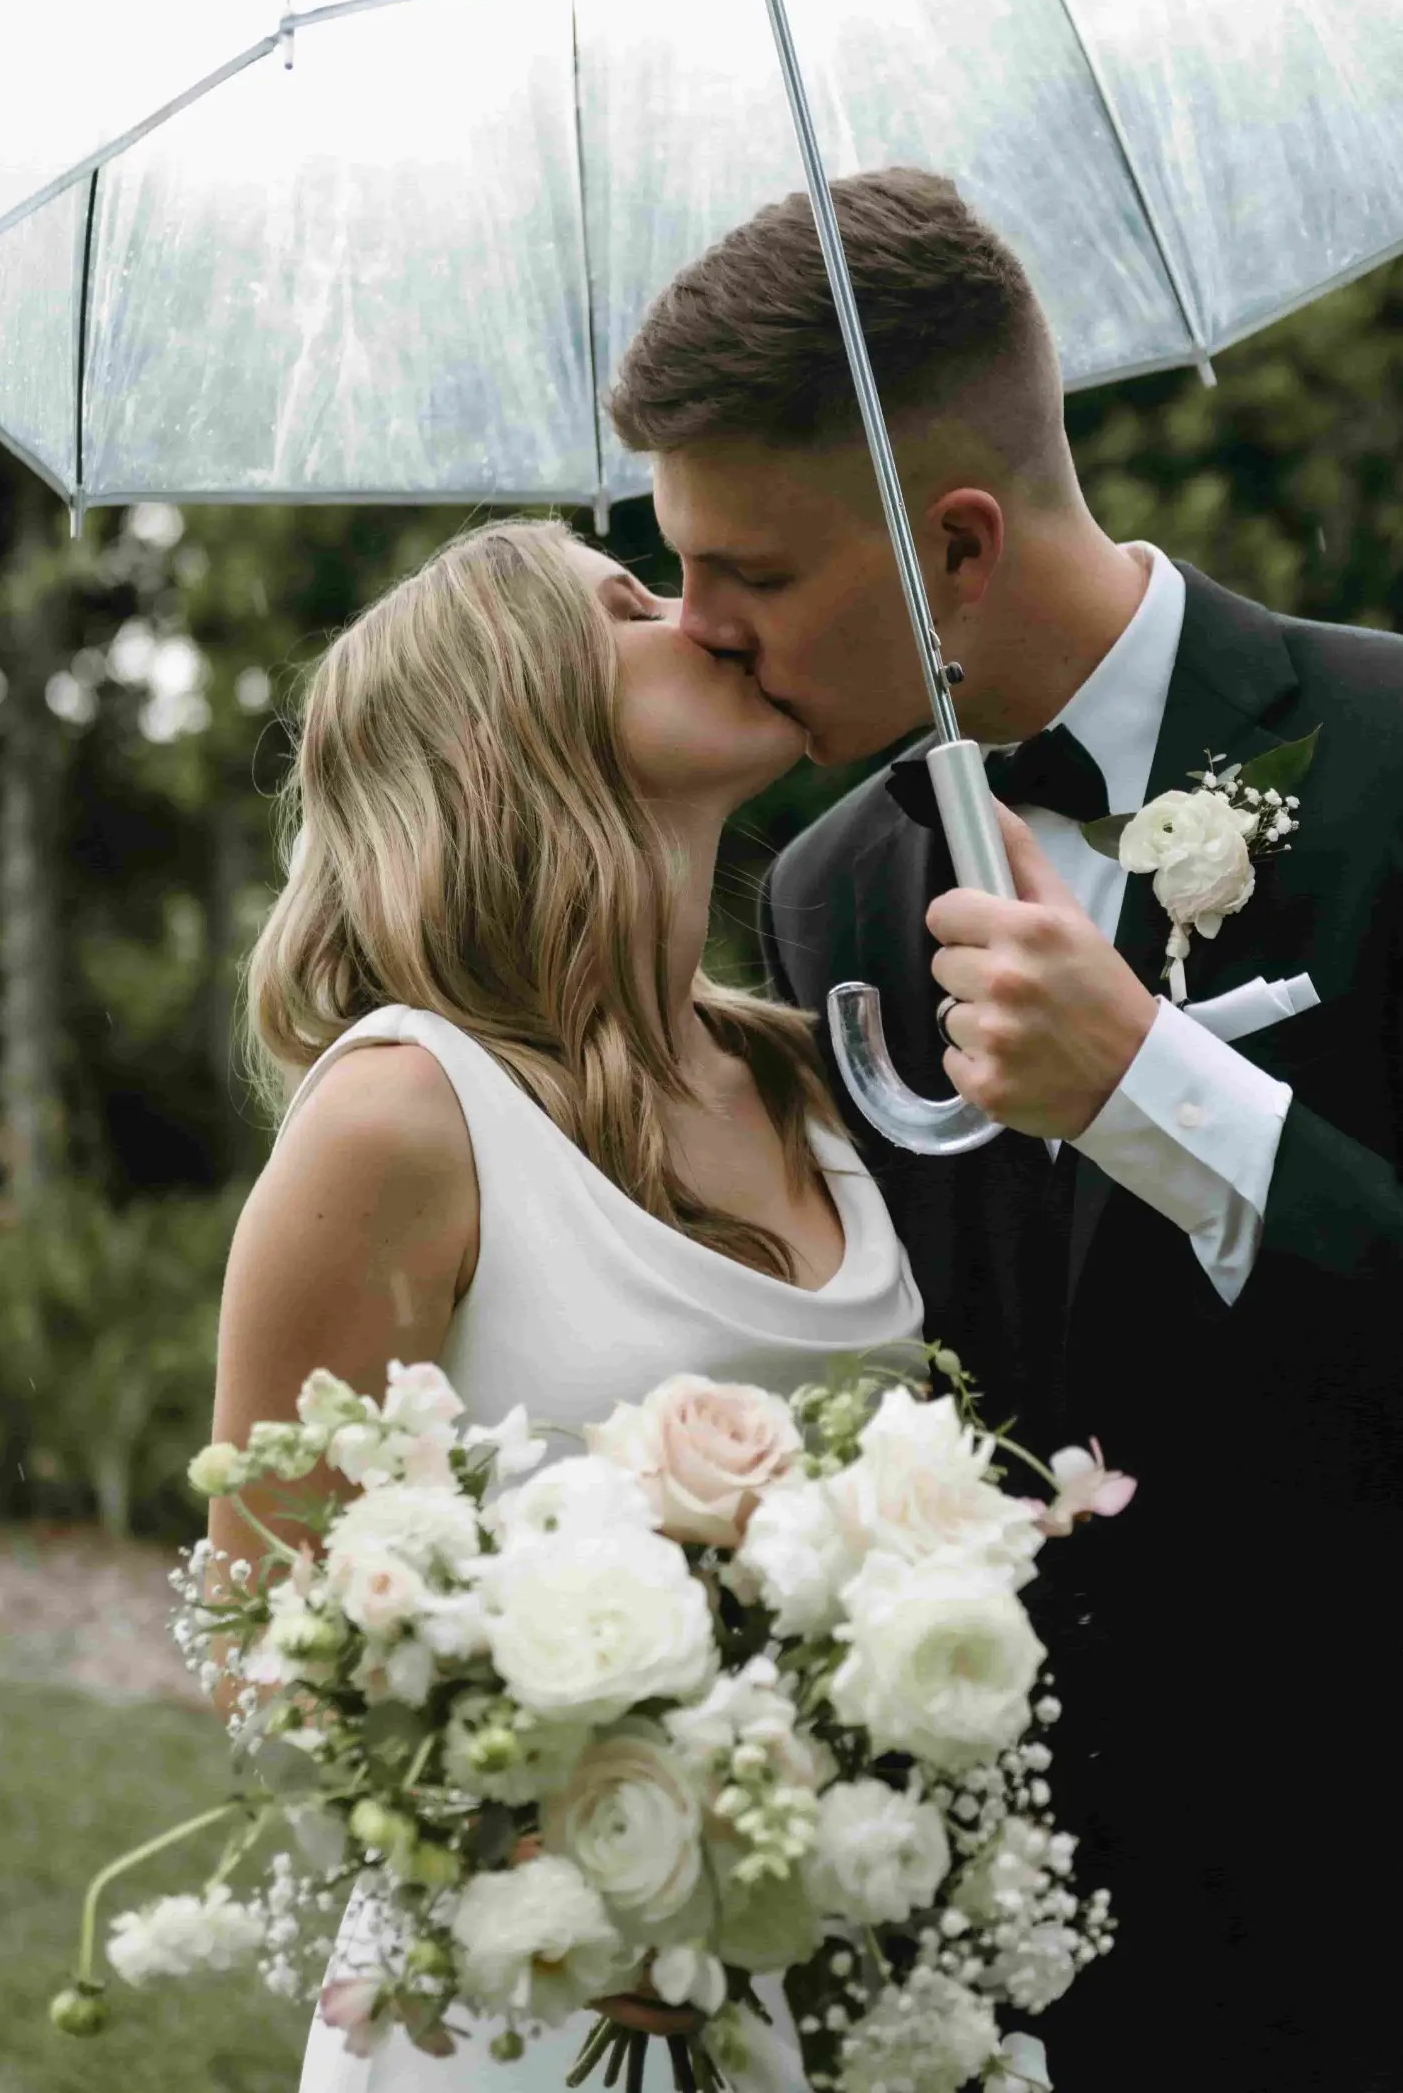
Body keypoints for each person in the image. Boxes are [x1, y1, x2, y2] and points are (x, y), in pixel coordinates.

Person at [610, 165, 1403, 2093]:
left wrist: (1155, 1092)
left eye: (755, 576)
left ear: (956, 543)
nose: (702, 631)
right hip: (1076, 1978)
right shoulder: (831, 893)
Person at [212, 518, 922, 2092]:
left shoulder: (811, 1076)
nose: (707, 616)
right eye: (632, 604)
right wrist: (575, 1852)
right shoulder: (404, 1116)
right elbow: (259, 1637)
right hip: (533, 2005)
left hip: (842, 1986)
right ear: (505, 715)